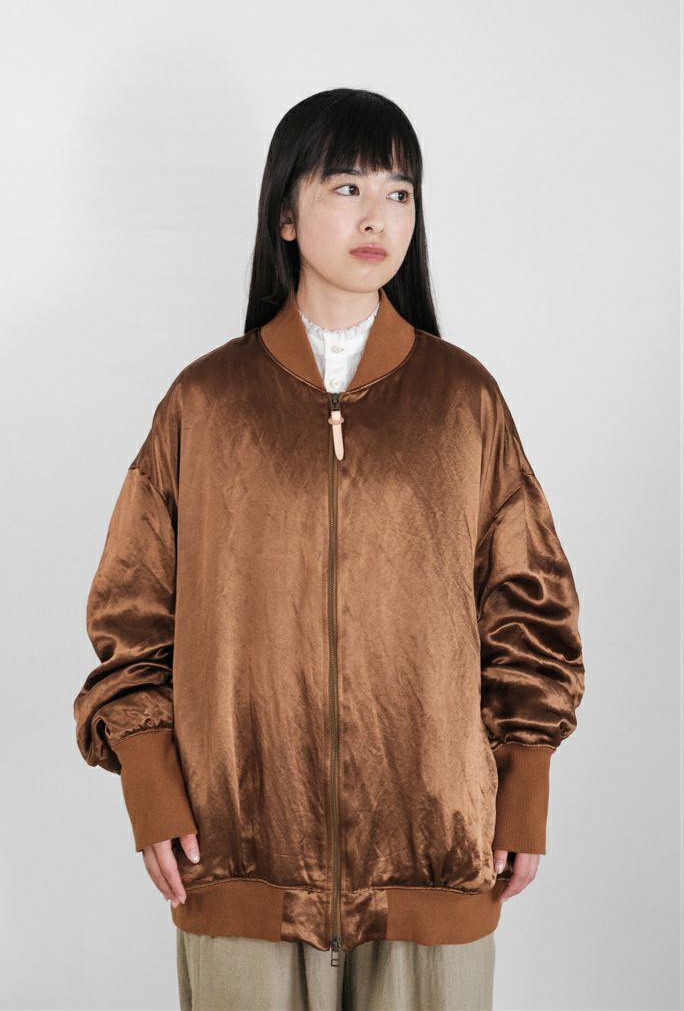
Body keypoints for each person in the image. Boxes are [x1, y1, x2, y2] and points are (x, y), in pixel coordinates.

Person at [73, 87, 585, 1011]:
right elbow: (132, 615)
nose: (377, 216)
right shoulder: (207, 404)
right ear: (285, 213)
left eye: (399, 191)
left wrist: (524, 788)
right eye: (347, 187)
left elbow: (529, 606)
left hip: (435, 861)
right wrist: (150, 786)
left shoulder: (462, 401)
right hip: (236, 859)